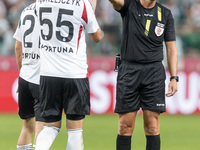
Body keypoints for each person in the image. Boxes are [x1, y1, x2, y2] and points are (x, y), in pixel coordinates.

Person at [108, 0, 178, 150]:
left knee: (152, 126)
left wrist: (174, 77)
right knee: (125, 126)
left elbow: (171, 48)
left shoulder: (165, 14)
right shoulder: (128, 6)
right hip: (129, 71)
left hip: (154, 73)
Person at [35, 0, 101, 150]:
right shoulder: (82, 4)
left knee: (50, 128)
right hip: (74, 74)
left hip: (48, 74)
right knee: (75, 132)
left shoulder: (41, 2)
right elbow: (96, 37)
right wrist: (92, 9)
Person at [13, 2, 43, 150]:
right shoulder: (52, 9)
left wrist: (21, 74)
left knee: (26, 127)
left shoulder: (26, 11)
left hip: (25, 77)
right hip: (42, 77)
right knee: (41, 128)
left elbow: (18, 46)